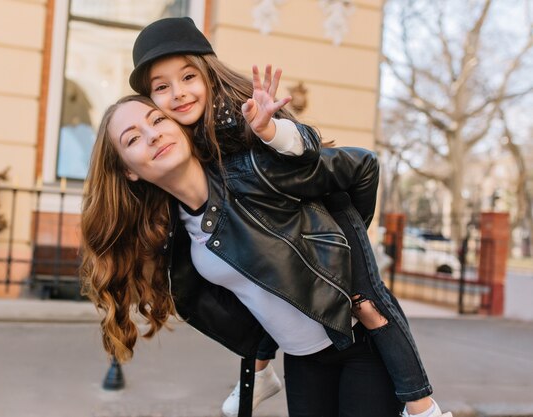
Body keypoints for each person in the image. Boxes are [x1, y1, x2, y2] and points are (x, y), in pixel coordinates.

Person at [125, 16, 452, 417]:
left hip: (342, 284)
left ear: (208, 75)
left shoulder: (242, 117)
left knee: (375, 300)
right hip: (302, 352)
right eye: (162, 87)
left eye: (188, 76)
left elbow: (318, 151)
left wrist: (271, 132)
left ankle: (422, 404)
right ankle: (261, 370)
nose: (178, 93)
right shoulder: (180, 150)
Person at [81, 88, 404, 417]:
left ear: (179, 127)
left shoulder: (252, 173)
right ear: (128, 171)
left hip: (359, 340)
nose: (152, 136)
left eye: (158, 120)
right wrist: (260, 353)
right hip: (302, 359)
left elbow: (363, 166)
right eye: (132, 139)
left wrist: (345, 260)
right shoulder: (173, 234)